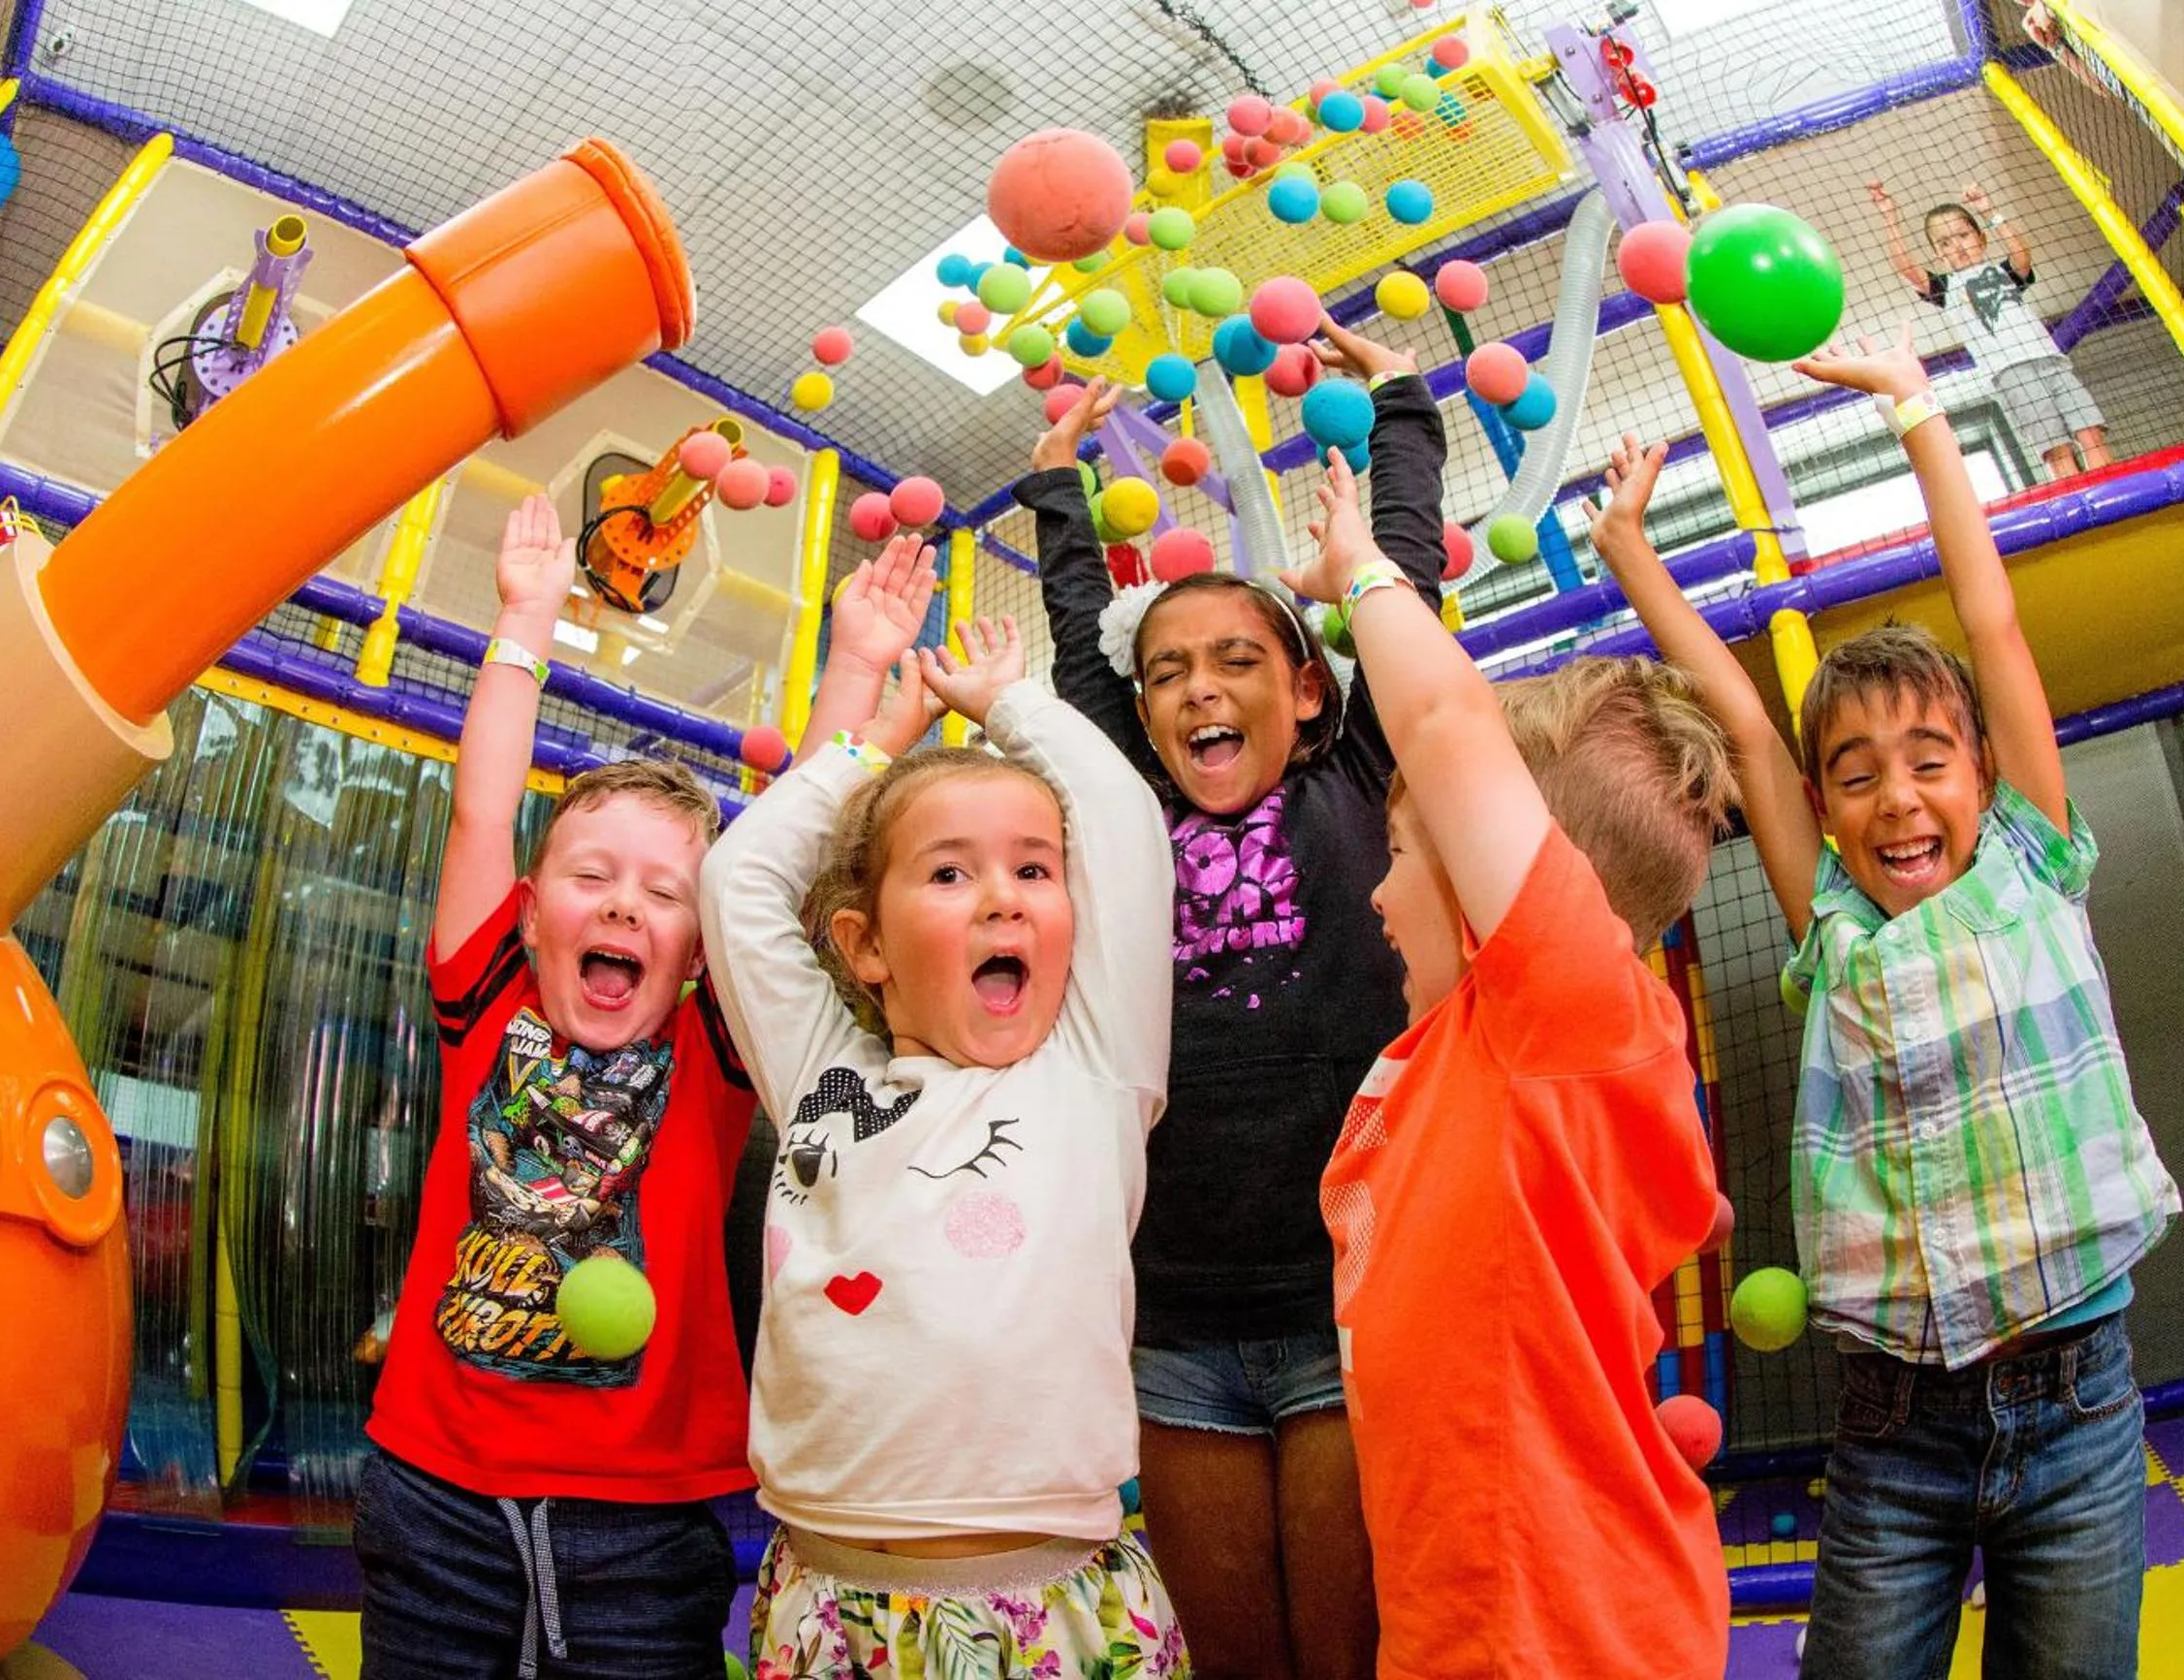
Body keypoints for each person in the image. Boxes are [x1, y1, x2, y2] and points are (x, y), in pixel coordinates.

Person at [1592, 329, 2181, 1680]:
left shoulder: (2035, 860)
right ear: (1824, 813)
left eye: (1930, 761)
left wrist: (1917, 408)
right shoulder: (1833, 928)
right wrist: (1633, 551)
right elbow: (1743, 723)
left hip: (2078, 1395)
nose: (1898, 797)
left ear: (1984, 775)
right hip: (1892, 1426)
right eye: (1854, 775)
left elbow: (1993, 623)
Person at [1013, 320, 1444, 1678]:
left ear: (1309, 689)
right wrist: (1055, 487)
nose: (1200, 686)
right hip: (1177, 1320)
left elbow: (1412, 586)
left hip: (1347, 1303)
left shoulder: (1356, 771)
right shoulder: (1123, 807)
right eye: (1170, 673)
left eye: (1239, 660)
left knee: (1349, 1653)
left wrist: (1402, 406)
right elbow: (1082, 656)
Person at [698, 536, 1187, 1676]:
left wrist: (1012, 704)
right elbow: (739, 881)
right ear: (864, 945)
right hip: (828, 1599)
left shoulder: (1092, 1074)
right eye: (951, 872)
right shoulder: (824, 1078)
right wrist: (869, 740)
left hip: (1047, 1604)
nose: (1001, 899)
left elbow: (1120, 823)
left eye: (1031, 869)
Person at [1282, 450, 1735, 1678]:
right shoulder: (1454, 1057)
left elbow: (1443, 725)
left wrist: (1361, 572)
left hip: (1570, 1624)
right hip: (1454, 1606)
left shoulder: (1563, 1016)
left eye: (1399, 851)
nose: (1376, 893)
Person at [357, 493, 755, 1680]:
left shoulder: (717, 1058)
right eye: (591, 876)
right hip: (437, 1495)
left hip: (643, 1520)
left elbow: (772, 863)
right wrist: (525, 623)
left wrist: (855, 682)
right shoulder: (486, 1013)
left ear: (701, 948)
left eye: (665, 893)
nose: (627, 903)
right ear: (531, 918)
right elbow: (485, 810)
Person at [1868, 178, 2111, 480]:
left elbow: (2021, 255)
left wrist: (1989, 211)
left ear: (1981, 238)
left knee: (2091, 435)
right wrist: (1890, 218)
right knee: (2057, 450)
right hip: (2009, 374)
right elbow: (1905, 267)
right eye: (1944, 243)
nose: (1957, 246)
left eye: (1963, 235)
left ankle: (2109, 490)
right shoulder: (1947, 288)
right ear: (1938, 255)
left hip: (2051, 362)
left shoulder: (2003, 273)